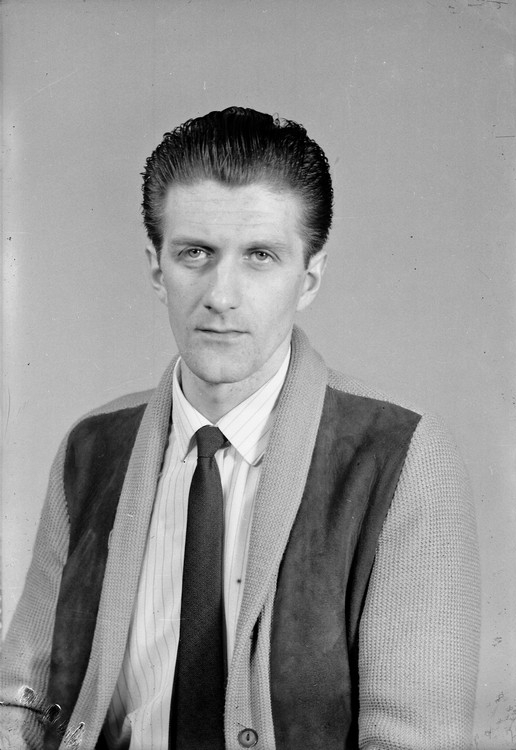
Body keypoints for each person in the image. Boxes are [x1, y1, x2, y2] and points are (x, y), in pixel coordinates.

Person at [0, 107, 480, 750]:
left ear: (308, 278)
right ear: (157, 268)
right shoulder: (91, 449)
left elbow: (415, 738)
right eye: (194, 253)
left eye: (260, 256)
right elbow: (20, 707)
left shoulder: (400, 454)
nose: (220, 294)